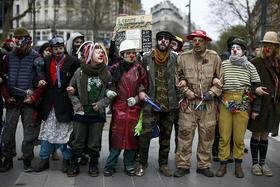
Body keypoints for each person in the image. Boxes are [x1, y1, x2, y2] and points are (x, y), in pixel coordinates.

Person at [174, 30, 223, 177]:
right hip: (188, 103)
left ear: (205, 42)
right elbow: (177, 77)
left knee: (207, 135)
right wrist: (186, 91)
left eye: (200, 40)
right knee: (185, 134)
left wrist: (212, 92)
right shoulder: (183, 57)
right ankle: (183, 165)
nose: (197, 43)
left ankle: (203, 165)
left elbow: (220, 78)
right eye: (194, 40)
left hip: (208, 104)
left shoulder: (214, 58)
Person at [215, 38, 261, 178]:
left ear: (244, 52)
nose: (235, 50)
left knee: (239, 138)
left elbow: (256, 85)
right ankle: (223, 164)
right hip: (225, 102)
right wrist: (215, 79)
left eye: (238, 48)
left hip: (242, 101)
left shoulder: (249, 66)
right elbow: (216, 78)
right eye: (233, 47)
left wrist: (256, 108)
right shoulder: (224, 64)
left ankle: (238, 165)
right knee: (224, 136)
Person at [0, 28, 44, 172]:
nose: (18, 41)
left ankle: (27, 160)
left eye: (21, 38)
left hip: (28, 102)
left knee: (29, 133)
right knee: (8, 132)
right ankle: (7, 159)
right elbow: (3, 80)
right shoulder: (8, 57)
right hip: (12, 101)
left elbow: (41, 81)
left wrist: (34, 97)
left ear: (28, 39)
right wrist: (7, 96)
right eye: (16, 38)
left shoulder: (36, 57)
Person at [35, 36, 80, 174]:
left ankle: (66, 160)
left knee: (65, 136)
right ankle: (43, 160)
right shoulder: (47, 60)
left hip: (65, 103)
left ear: (64, 48)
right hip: (49, 103)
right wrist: (41, 80)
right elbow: (40, 73)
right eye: (55, 49)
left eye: (60, 48)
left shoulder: (73, 61)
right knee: (46, 135)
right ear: (52, 49)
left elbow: (78, 79)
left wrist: (75, 90)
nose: (58, 51)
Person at [136, 30, 179, 177]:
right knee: (144, 136)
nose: (163, 41)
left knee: (166, 137)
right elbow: (139, 78)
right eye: (160, 38)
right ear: (157, 41)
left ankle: (164, 164)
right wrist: (141, 90)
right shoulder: (147, 58)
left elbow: (181, 76)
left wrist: (183, 83)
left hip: (169, 105)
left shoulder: (175, 58)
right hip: (150, 103)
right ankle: (142, 162)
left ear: (170, 42)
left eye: (166, 39)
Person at [66, 42, 111, 177]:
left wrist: (102, 104)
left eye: (102, 52)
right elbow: (70, 90)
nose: (101, 54)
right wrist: (77, 104)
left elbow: (111, 93)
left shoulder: (106, 73)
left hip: (97, 114)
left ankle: (93, 163)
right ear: (89, 55)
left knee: (94, 142)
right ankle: (74, 163)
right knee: (78, 141)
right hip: (81, 113)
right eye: (97, 52)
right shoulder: (79, 72)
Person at [103, 40, 148, 177]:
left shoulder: (139, 68)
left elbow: (144, 85)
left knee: (132, 139)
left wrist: (136, 98)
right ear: (122, 55)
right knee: (117, 137)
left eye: (133, 52)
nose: (132, 55)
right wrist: (109, 92)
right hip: (119, 108)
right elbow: (109, 84)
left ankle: (129, 165)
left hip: (134, 108)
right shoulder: (115, 68)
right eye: (128, 53)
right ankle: (110, 165)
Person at [248, 31, 280, 177]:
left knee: (265, 135)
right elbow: (247, 84)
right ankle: (255, 163)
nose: (268, 48)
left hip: (273, 106)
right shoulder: (255, 62)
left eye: (271, 46)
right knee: (256, 134)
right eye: (266, 45)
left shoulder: (278, 63)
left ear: (276, 48)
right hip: (259, 105)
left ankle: (263, 163)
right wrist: (255, 89)